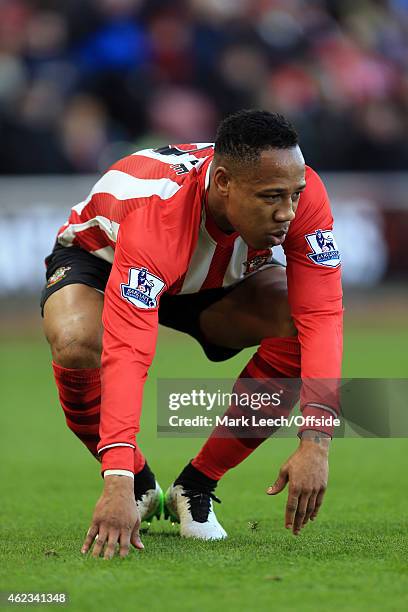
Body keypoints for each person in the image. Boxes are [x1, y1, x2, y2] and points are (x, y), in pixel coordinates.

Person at [41, 109, 343, 559]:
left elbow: (322, 313)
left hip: (209, 281)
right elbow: (129, 354)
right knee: (75, 341)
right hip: (104, 265)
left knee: (295, 320)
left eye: (295, 195)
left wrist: (316, 440)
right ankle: (140, 483)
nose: (288, 212)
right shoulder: (156, 217)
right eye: (272, 198)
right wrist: (118, 477)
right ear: (223, 183)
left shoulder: (299, 193)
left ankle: (196, 484)